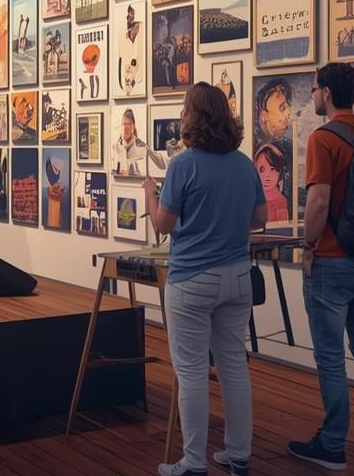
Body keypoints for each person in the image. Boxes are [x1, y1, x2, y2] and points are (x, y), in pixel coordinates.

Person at [140, 83, 265, 476]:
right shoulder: (244, 164)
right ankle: (238, 455)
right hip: (237, 277)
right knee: (233, 367)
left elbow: (163, 224)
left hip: (192, 279)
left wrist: (149, 192)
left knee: (191, 371)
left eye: (184, 109)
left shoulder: (183, 165)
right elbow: (259, 220)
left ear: (194, 116)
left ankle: (194, 462)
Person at [289, 62, 354, 470]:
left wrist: (307, 247)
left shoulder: (322, 139)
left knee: (329, 358)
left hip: (332, 262)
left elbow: (319, 201)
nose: (313, 97)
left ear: (326, 92)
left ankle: (333, 445)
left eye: (315, 90)